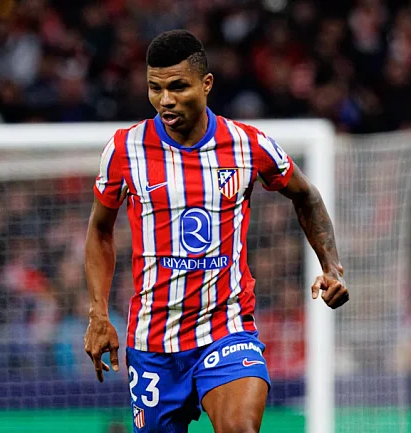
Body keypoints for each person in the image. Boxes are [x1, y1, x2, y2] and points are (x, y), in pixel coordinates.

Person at [84, 30, 348, 433]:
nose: (165, 100)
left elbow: (306, 194)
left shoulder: (247, 144)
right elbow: (100, 230)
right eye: (155, 88)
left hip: (226, 329)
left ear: (206, 84)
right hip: (154, 342)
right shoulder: (125, 149)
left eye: (177, 87)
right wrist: (98, 313)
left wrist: (331, 266)